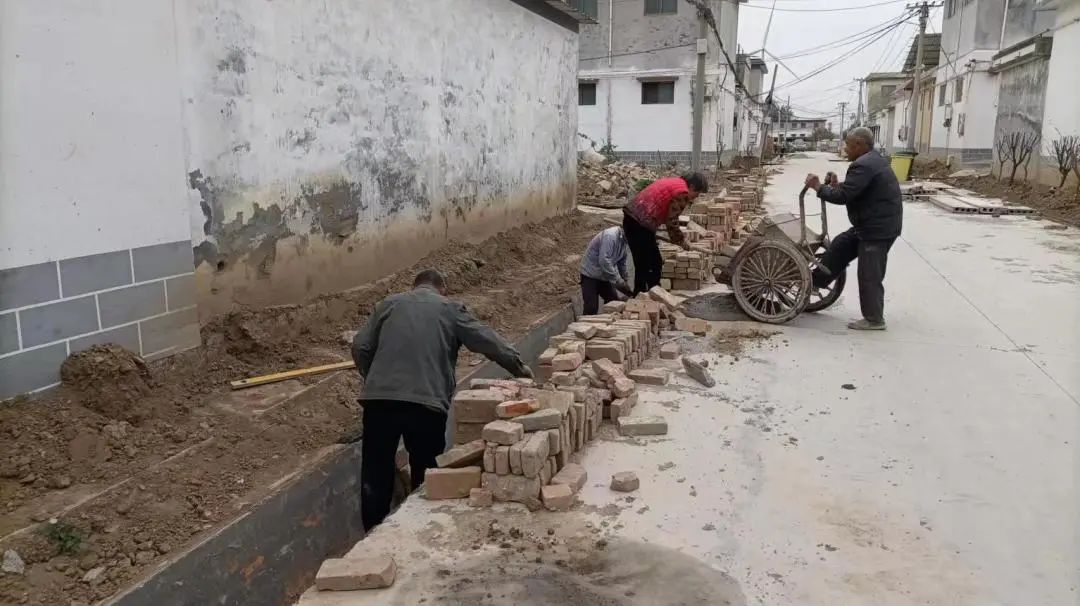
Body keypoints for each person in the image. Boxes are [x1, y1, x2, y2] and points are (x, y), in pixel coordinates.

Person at [351, 269, 532, 530]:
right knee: (427, 472)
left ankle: (371, 535)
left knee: (375, 473)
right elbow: (487, 341)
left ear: (415, 286)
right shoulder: (450, 308)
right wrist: (519, 368)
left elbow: (360, 346)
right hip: (426, 405)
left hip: (379, 401)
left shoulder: (388, 304)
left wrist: (374, 379)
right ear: (442, 288)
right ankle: (417, 528)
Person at [805, 127, 902, 330]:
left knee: (869, 274)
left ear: (859, 145)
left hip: (877, 230)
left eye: (848, 145)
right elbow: (854, 190)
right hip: (868, 225)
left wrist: (818, 188)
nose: (845, 149)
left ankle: (874, 320)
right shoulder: (872, 160)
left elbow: (844, 197)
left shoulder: (863, 165)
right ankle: (813, 284)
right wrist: (836, 185)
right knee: (840, 246)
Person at [622, 172, 709, 294]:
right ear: (692, 187)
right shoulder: (682, 192)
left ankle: (641, 296)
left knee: (644, 263)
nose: (695, 198)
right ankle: (651, 296)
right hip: (639, 222)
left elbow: (665, 211)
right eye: (697, 194)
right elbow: (672, 221)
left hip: (635, 218)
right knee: (652, 263)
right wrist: (681, 241)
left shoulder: (675, 183)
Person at [579, 225, 632, 315]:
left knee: (613, 301)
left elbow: (622, 263)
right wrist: (618, 280)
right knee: (591, 307)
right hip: (590, 275)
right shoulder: (610, 236)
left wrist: (625, 280)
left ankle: (609, 325)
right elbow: (604, 260)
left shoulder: (624, 242)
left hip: (604, 276)